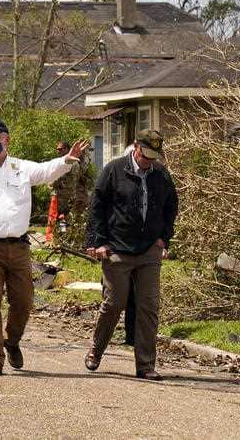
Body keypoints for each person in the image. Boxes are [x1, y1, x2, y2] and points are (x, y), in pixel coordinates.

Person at [0, 119, 88, 377]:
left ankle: (11, 341)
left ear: (7, 140)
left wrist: (67, 160)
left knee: (23, 301)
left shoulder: (20, 168)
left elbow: (47, 171)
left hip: (19, 247)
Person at [84, 129, 178, 381]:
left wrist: (163, 238)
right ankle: (96, 349)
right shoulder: (114, 170)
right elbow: (97, 208)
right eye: (145, 154)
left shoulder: (161, 174)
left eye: (153, 156)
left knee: (149, 306)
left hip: (149, 250)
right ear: (135, 146)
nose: (149, 161)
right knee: (115, 303)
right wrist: (98, 241)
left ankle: (145, 365)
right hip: (117, 248)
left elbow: (171, 207)